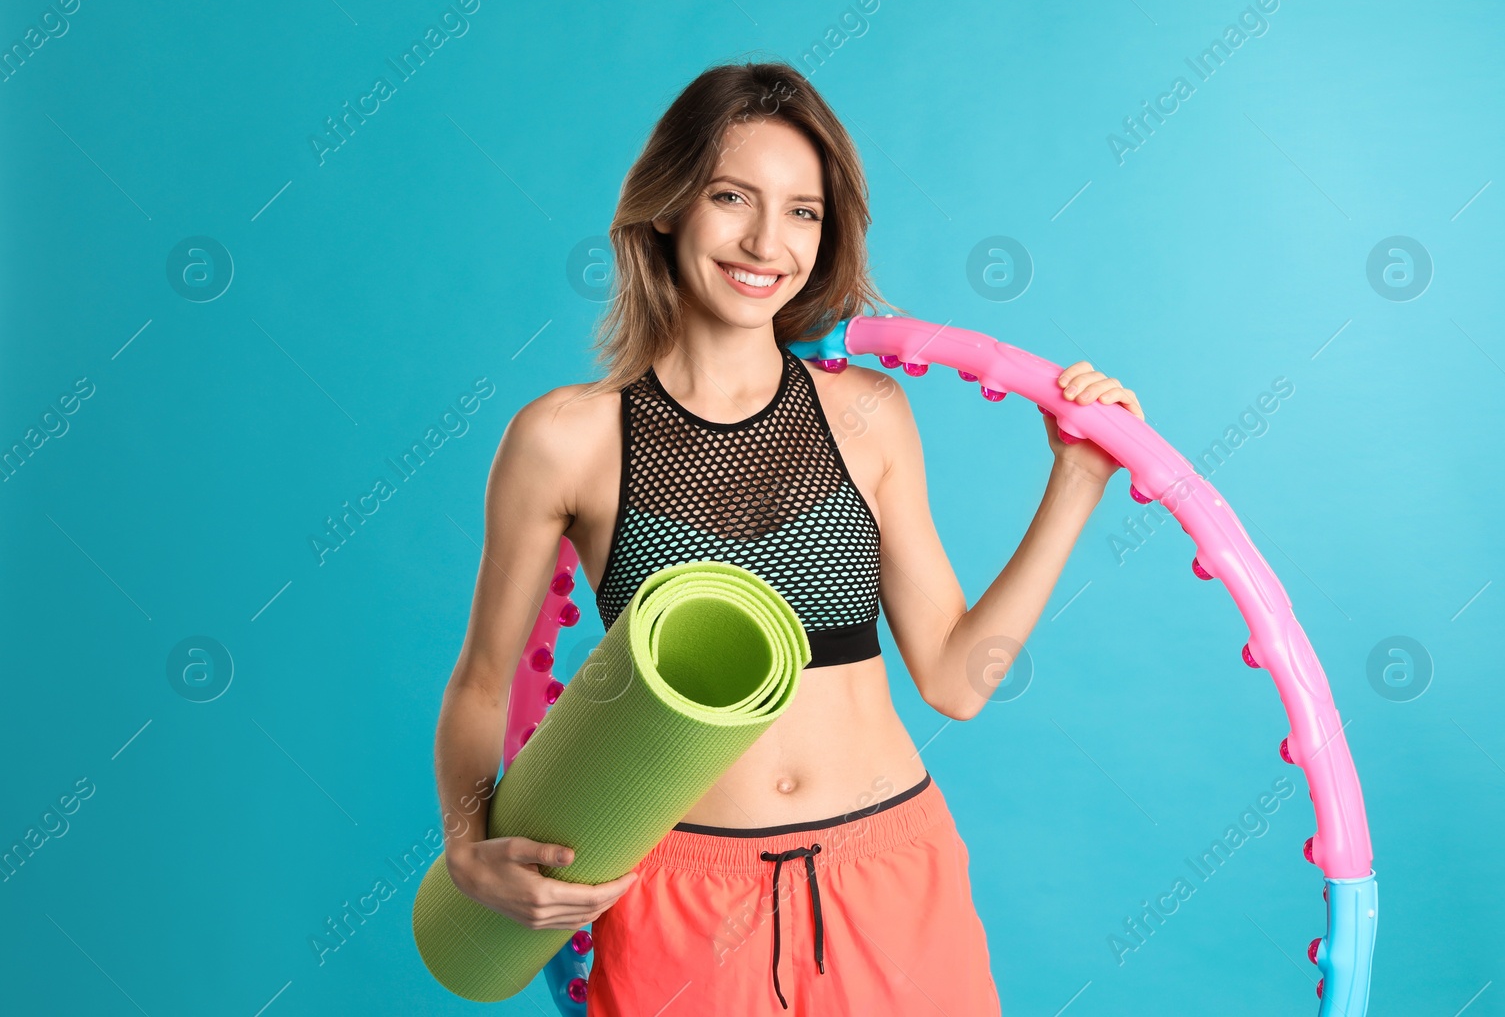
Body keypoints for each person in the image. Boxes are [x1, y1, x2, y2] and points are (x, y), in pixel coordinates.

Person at [432, 60, 1144, 1015]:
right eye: (733, 197)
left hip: (891, 868)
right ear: (669, 206)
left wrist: (1077, 478)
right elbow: (484, 680)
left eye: (804, 211)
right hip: (679, 896)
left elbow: (955, 678)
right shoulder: (566, 438)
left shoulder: (869, 415)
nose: (768, 240)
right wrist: (468, 842)